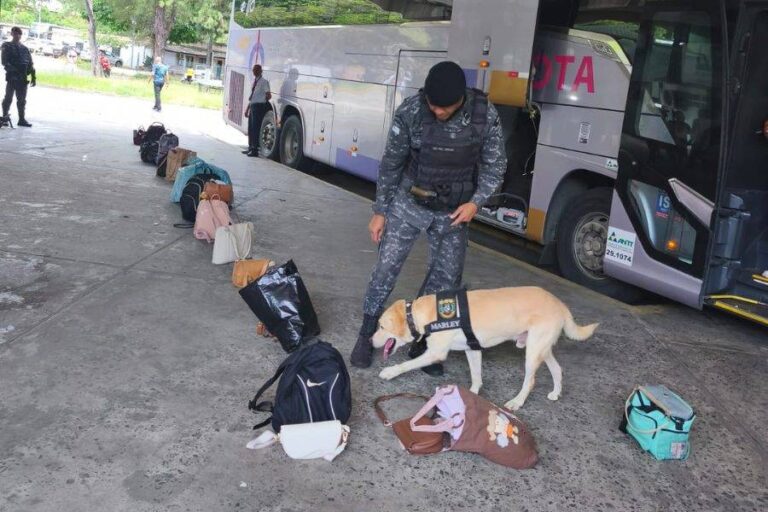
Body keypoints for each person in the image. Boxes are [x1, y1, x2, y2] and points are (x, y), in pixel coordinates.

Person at [349, 61, 507, 373]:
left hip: (455, 209)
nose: (437, 112)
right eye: (433, 105)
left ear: (461, 99)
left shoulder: (484, 115)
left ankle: (428, 342)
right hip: (410, 202)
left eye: (444, 108)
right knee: (386, 268)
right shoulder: (410, 111)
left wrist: (476, 203)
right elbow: (391, 164)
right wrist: (380, 211)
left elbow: (495, 165)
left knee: (447, 280)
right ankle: (367, 332)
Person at [1, 27, 36, 127]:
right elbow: (4, 62)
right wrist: (14, 71)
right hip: (12, 77)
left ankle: (21, 119)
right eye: (15, 33)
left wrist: (33, 77)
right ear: (11, 34)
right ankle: (4, 118)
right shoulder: (7, 45)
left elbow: (30, 63)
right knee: (8, 98)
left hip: (23, 78)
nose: (17, 36)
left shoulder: (24, 48)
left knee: (22, 100)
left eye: (19, 34)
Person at [242, 64, 271, 157]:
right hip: (253, 106)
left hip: (259, 106)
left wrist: (263, 101)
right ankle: (250, 147)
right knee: (250, 128)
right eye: (253, 70)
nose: (254, 71)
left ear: (260, 71)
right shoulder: (254, 82)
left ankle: (255, 150)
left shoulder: (264, 82)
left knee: (256, 128)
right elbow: (252, 97)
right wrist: (247, 109)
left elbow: (268, 95)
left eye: (256, 70)